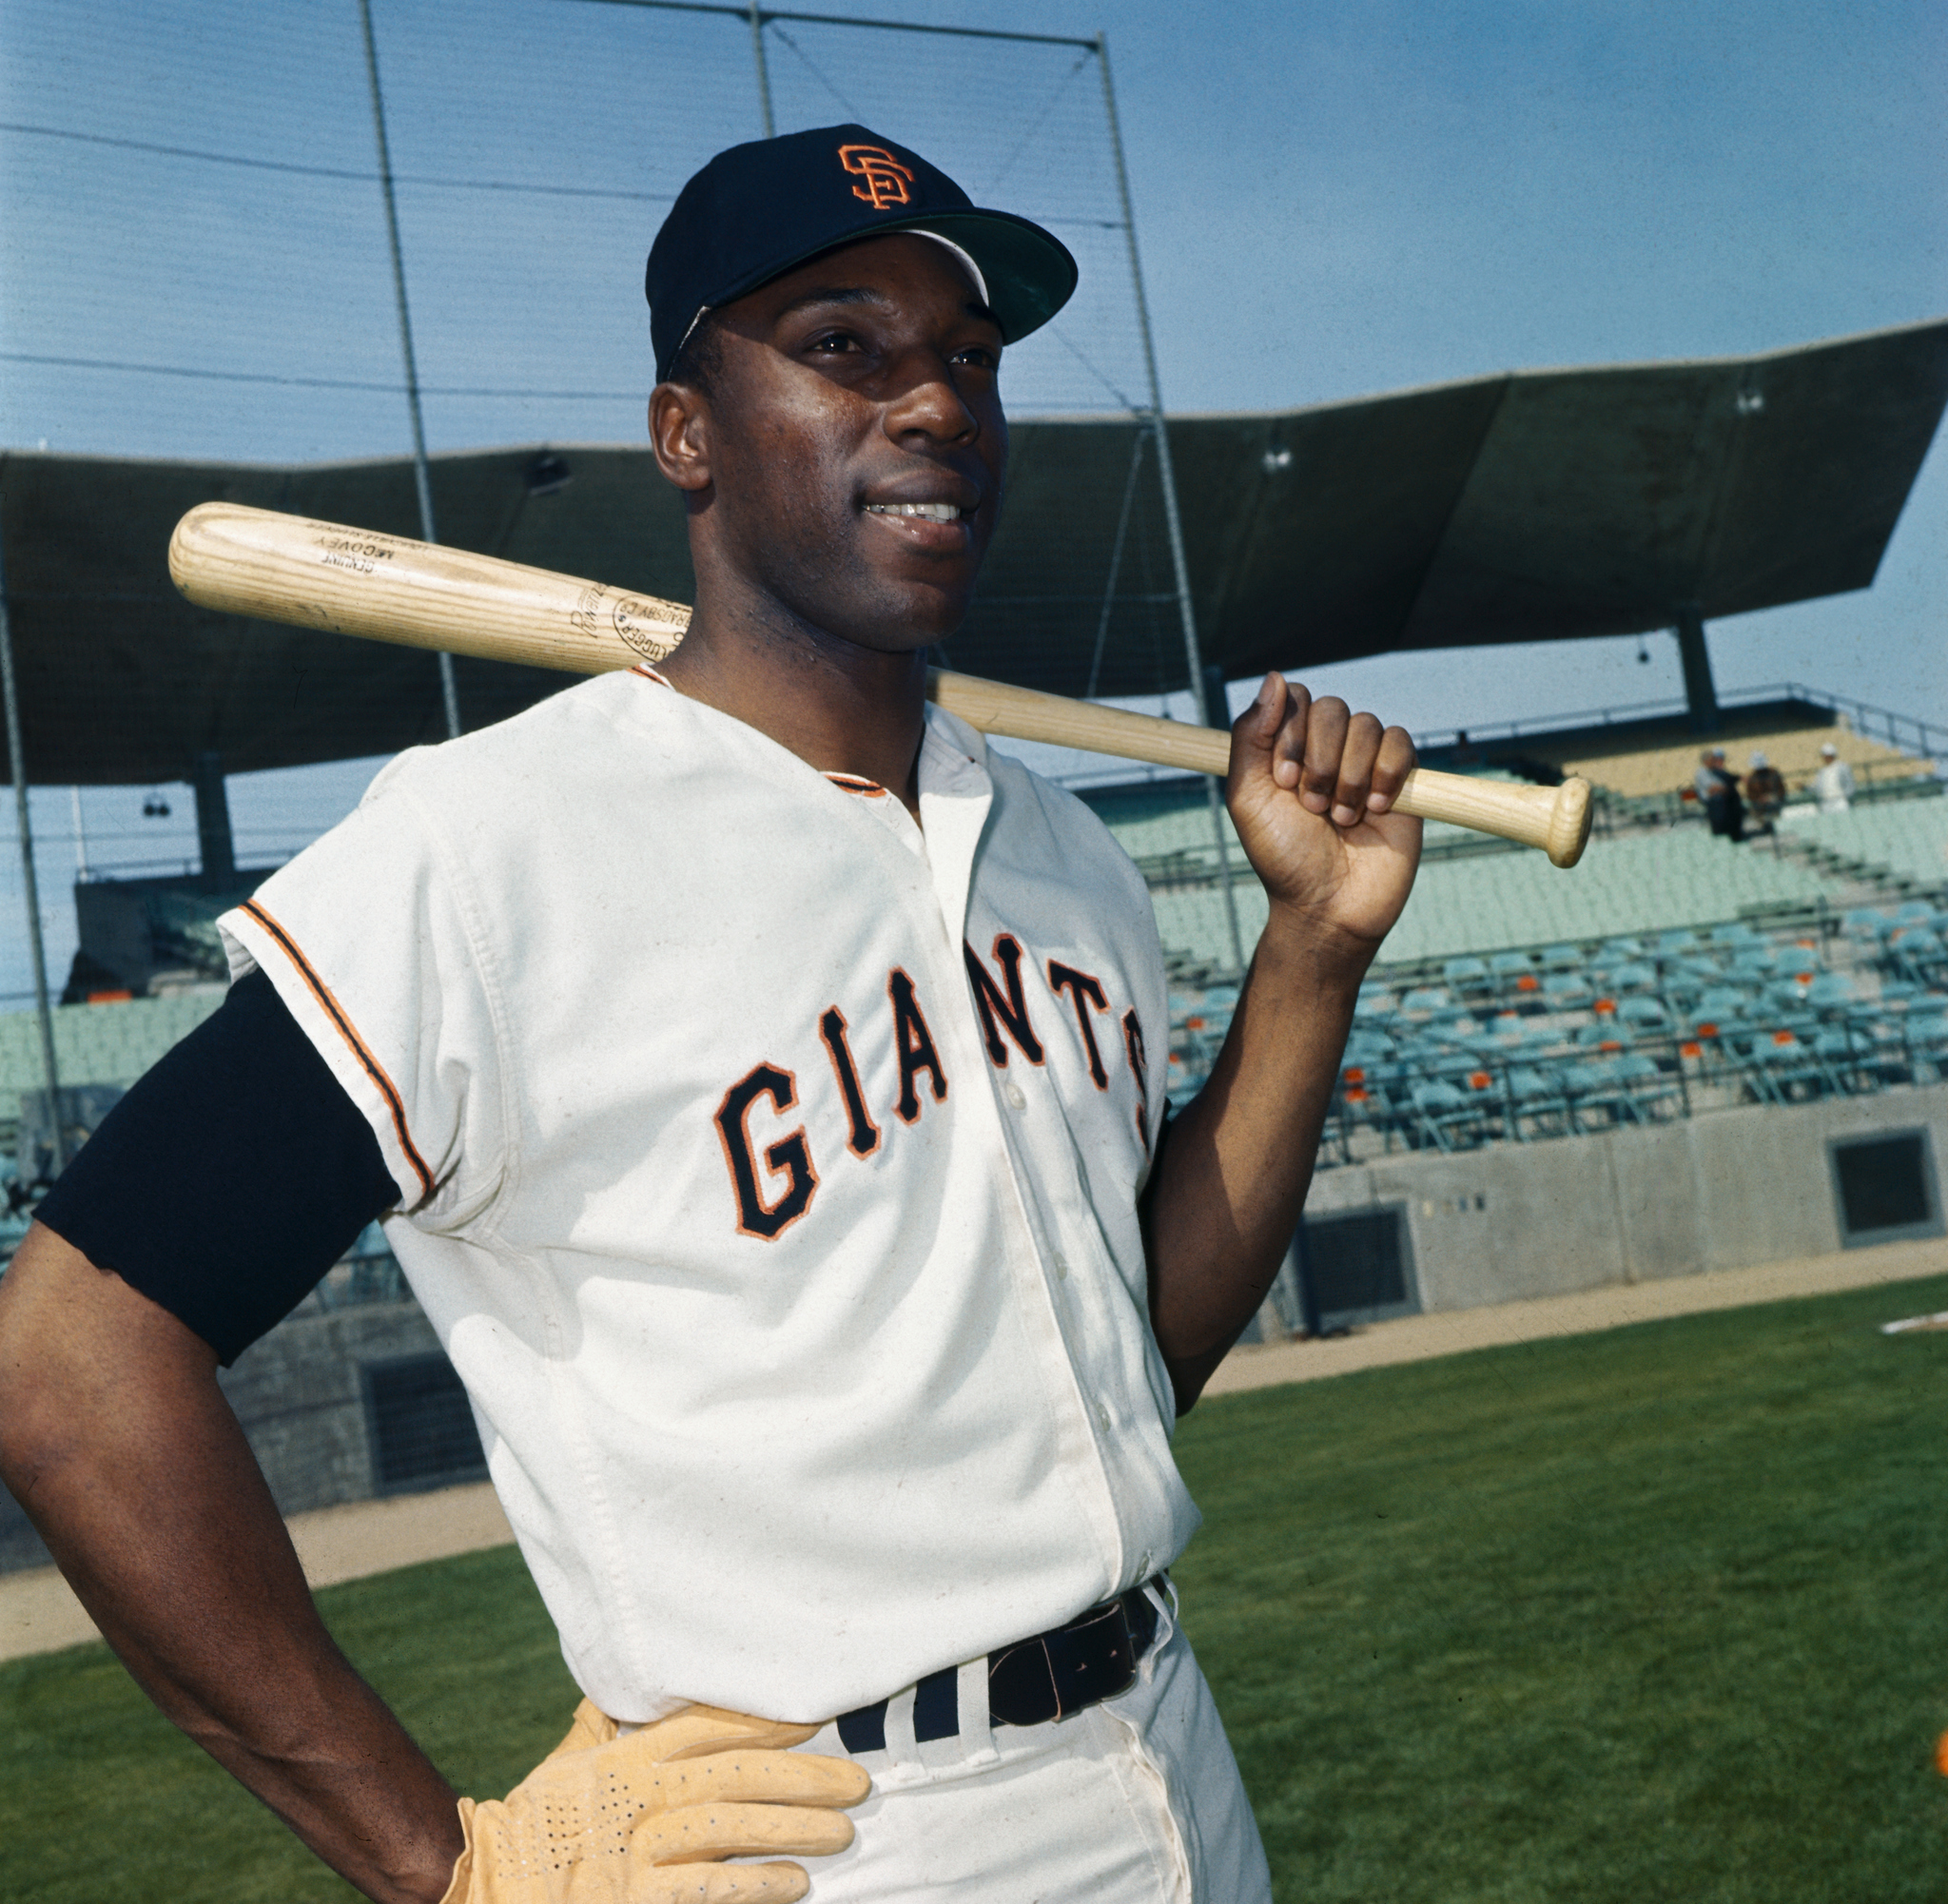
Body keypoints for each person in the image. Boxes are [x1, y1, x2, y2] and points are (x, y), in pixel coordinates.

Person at [0, 125, 1423, 1904]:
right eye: (843, 347)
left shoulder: (1066, 858)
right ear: (686, 433)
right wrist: (441, 1862)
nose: (937, 404)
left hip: (1170, 1750)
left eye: (969, 358)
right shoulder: (486, 851)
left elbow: (1137, 1361)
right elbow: (70, 1360)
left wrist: (1311, 953)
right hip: (834, 1833)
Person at [1693, 746, 1743, 840]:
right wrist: (1724, 789)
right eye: (1712, 759)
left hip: (1722, 798)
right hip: (1713, 801)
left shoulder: (1713, 771)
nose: (1714, 761)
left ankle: (1736, 832)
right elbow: (1712, 788)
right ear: (1706, 761)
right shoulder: (1701, 772)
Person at [1743, 749, 1785, 834]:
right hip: (1759, 807)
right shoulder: (1752, 778)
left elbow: (1781, 790)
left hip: (1775, 803)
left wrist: (1770, 797)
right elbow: (1750, 795)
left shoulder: (1773, 773)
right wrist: (1759, 799)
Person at [1810, 741, 1855, 813]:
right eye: (1824, 756)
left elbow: (1850, 784)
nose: (1825, 758)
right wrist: (1805, 787)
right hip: (1826, 803)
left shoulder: (1842, 767)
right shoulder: (1822, 772)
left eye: (1827, 756)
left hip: (1840, 801)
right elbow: (1816, 787)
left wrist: (1846, 797)